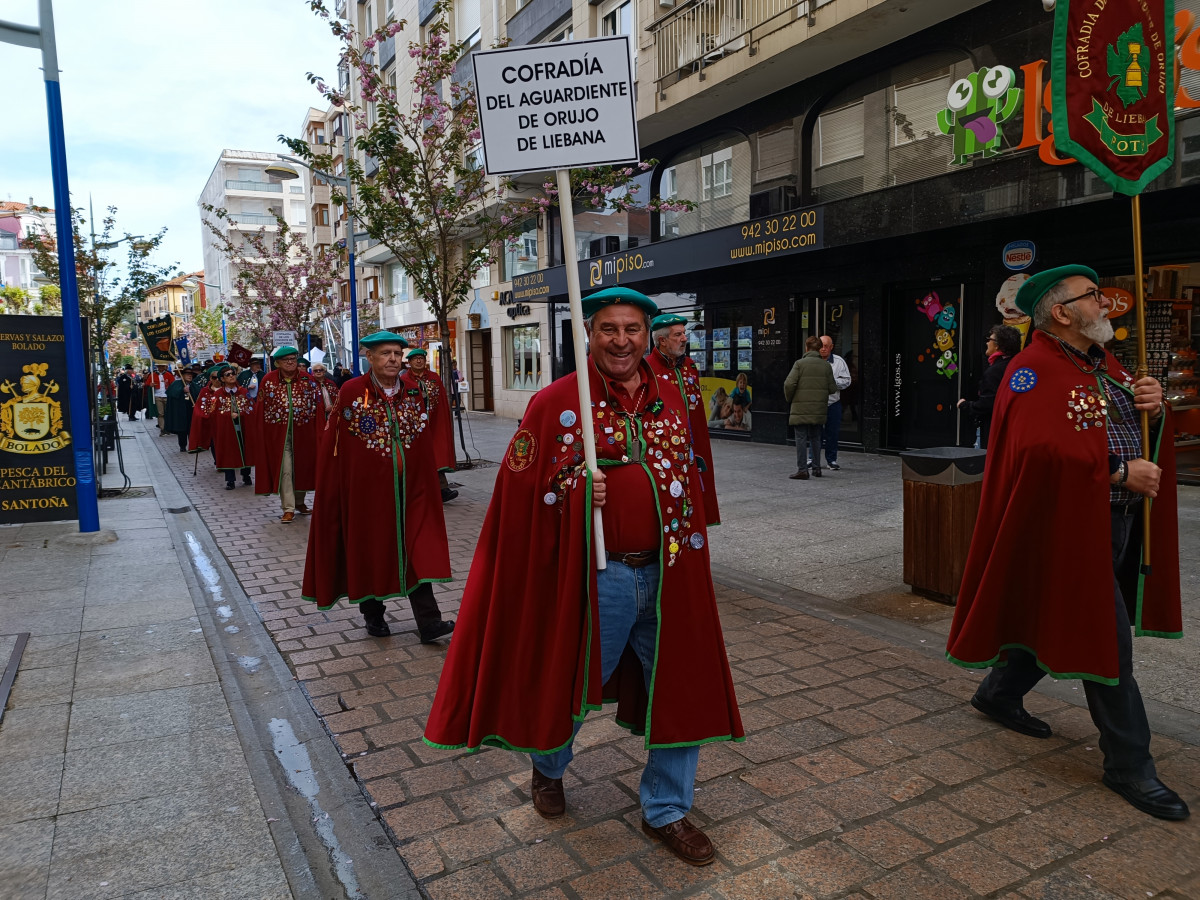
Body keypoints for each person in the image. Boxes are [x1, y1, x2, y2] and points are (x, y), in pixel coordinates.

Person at [425, 287, 744, 867]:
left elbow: (688, 479)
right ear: (588, 335)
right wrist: (572, 491)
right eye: (607, 329)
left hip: (671, 575)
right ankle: (547, 768)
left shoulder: (670, 397)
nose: (621, 340)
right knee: (571, 686)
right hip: (602, 578)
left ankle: (666, 809)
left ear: (648, 335)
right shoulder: (555, 404)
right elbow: (517, 492)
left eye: (632, 329)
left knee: (682, 686)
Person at [946, 265, 1187, 822]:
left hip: (1121, 523)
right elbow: (1035, 452)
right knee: (1106, 641)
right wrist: (1119, 471)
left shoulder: (1105, 363)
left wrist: (1154, 405)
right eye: (1093, 297)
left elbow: (1135, 429)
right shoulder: (1031, 370)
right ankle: (1130, 765)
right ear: (1062, 312)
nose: (1105, 304)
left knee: (1069, 617)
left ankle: (999, 693)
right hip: (1069, 525)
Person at [301, 331, 455, 643]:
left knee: (417, 548)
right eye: (385, 353)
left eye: (397, 353)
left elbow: (421, 442)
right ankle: (374, 615)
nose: (393, 359)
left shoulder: (412, 391)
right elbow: (338, 447)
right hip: (367, 495)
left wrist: (427, 481)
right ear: (369, 357)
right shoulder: (352, 391)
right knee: (370, 550)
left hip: (412, 492)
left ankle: (429, 622)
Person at [648, 312, 720, 525]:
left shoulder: (689, 366)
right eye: (678, 335)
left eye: (684, 334)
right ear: (662, 340)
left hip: (695, 442)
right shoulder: (647, 369)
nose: (684, 339)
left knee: (697, 489)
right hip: (665, 445)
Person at [251, 346, 322, 523]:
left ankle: (299, 502)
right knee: (286, 469)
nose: (290, 362)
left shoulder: (308, 380)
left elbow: (318, 406)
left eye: (293, 359)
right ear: (278, 363)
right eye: (286, 360)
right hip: (278, 434)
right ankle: (288, 507)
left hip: (304, 433)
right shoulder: (268, 381)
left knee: (303, 467)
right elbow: (261, 407)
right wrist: (262, 433)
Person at [402, 348, 458, 502]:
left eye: (421, 358)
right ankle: (417, 490)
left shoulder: (434, 378)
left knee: (435, 455)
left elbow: (441, 403)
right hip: (413, 425)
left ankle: (442, 489)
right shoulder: (404, 380)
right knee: (416, 457)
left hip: (433, 424)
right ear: (409, 362)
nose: (419, 361)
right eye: (415, 359)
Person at [957, 324, 1022, 449]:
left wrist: (965, 405)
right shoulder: (1018, 365)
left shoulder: (995, 371)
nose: (987, 343)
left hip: (994, 430)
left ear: (998, 345)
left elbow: (988, 404)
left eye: (989, 340)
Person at [783, 336, 836, 480]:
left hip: (800, 409)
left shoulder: (799, 364)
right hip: (819, 409)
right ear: (819, 349)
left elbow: (789, 384)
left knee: (800, 438)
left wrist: (790, 398)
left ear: (806, 348)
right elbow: (832, 388)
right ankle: (817, 468)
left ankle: (802, 470)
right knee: (816, 437)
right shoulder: (826, 366)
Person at [197, 363, 253, 490]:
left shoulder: (243, 392)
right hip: (226, 429)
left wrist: (240, 413)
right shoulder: (217, 396)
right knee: (228, 451)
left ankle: (246, 475)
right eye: (228, 375)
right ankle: (230, 479)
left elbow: (251, 408)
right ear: (222, 379)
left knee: (245, 449)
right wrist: (228, 415)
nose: (231, 376)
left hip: (243, 426)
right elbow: (213, 413)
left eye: (233, 373)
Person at [819, 336, 852, 469]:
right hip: (816, 403)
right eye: (821, 345)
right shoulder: (812, 360)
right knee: (815, 433)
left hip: (833, 403)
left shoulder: (839, 361)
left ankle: (831, 460)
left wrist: (832, 383)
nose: (823, 348)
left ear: (831, 347)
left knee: (832, 433)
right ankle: (812, 459)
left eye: (826, 346)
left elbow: (847, 380)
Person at [163, 368, 198, 452]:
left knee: (192, 428)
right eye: (187, 374)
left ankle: (193, 445)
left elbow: (198, 394)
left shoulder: (194, 385)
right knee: (182, 429)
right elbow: (171, 393)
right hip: (180, 410)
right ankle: (182, 446)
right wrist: (182, 390)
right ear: (182, 375)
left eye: (191, 375)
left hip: (191, 410)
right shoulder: (176, 384)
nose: (190, 376)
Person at [146, 364, 175, 434]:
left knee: (168, 413)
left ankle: (168, 427)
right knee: (160, 413)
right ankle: (162, 428)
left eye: (162, 366)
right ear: (157, 367)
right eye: (159, 366)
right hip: (157, 396)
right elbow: (147, 383)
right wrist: (150, 385)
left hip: (167, 396)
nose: (161, 368)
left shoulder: (169, 374)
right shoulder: (152, 375)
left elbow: (173, 384)